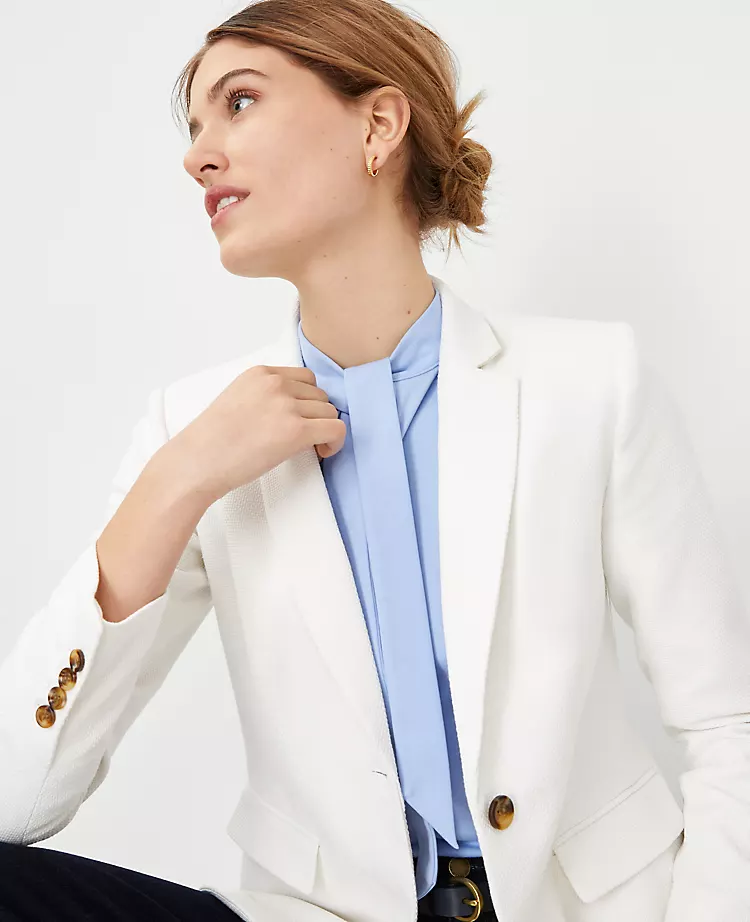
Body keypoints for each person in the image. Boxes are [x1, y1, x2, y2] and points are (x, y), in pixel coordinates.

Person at [2, 1, 749, 921]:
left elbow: (729, 721)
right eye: (193, 128)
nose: (198, 156)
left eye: (239, 102)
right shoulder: (193, 430)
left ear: (379, 125)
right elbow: (16, 802)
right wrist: (177, 480)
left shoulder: (590, 383)